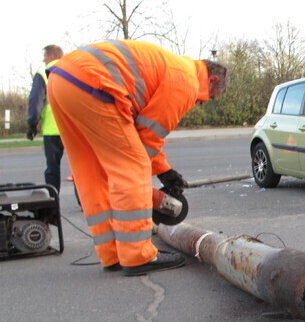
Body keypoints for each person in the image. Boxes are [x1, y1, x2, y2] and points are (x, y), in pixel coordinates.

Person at [47, 40, 229, 277]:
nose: (203, 103)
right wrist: (164, 173)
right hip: (93, 82)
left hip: (61, 80)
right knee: (131, 167)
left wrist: (164, 169)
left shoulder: (174, 68)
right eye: (210, 97)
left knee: (92, 172)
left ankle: (111, 254)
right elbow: (146, 141)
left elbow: (140, 131)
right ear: (212, 80)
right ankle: (137, 255)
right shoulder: (185, 82)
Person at [27, 44, 65, 191]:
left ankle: (53, 198)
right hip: (74, 128)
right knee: (79, 167)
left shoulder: (44, 73)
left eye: (44, 57)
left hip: (53, 129)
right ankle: (85, 202)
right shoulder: (74, 71)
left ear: (51, 56)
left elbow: (35, 102)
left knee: (53, 168)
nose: (44, 61)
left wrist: (32, 124)